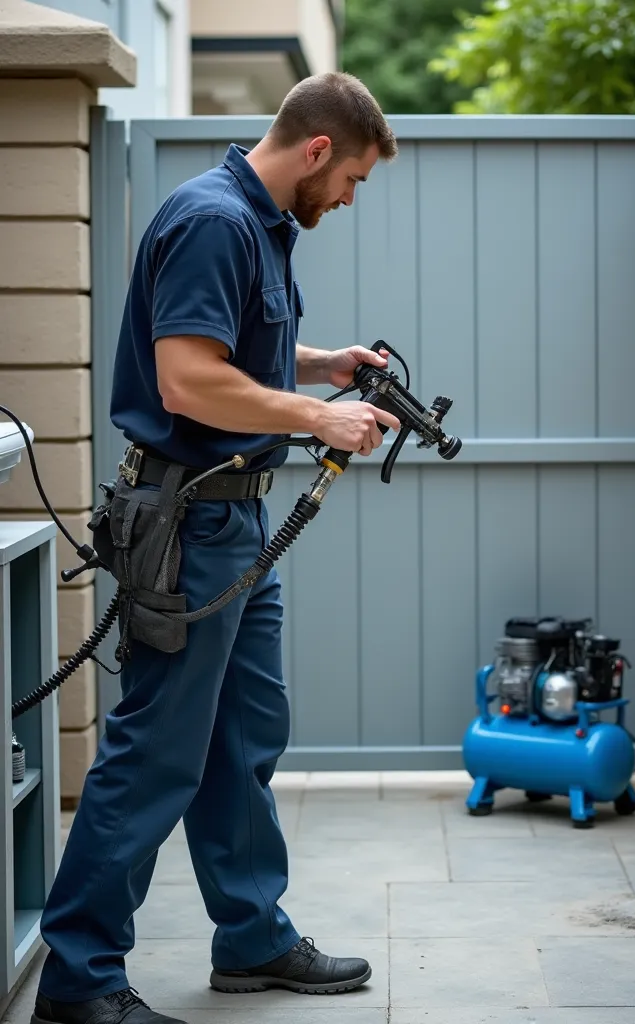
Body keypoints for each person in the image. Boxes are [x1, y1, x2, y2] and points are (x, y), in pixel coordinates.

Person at [31, 72, 400, 1024]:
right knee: (155, 754)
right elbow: (190, 381)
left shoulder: (259, 223)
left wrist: (320, 361)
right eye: (353, 179)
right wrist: (317, 413)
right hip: (190, 527)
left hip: (234, 527)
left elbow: (232, 350)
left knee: (242, 743)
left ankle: (252, 938)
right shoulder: (213, 221)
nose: (350, 199)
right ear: (318, 151)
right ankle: (79, 981)